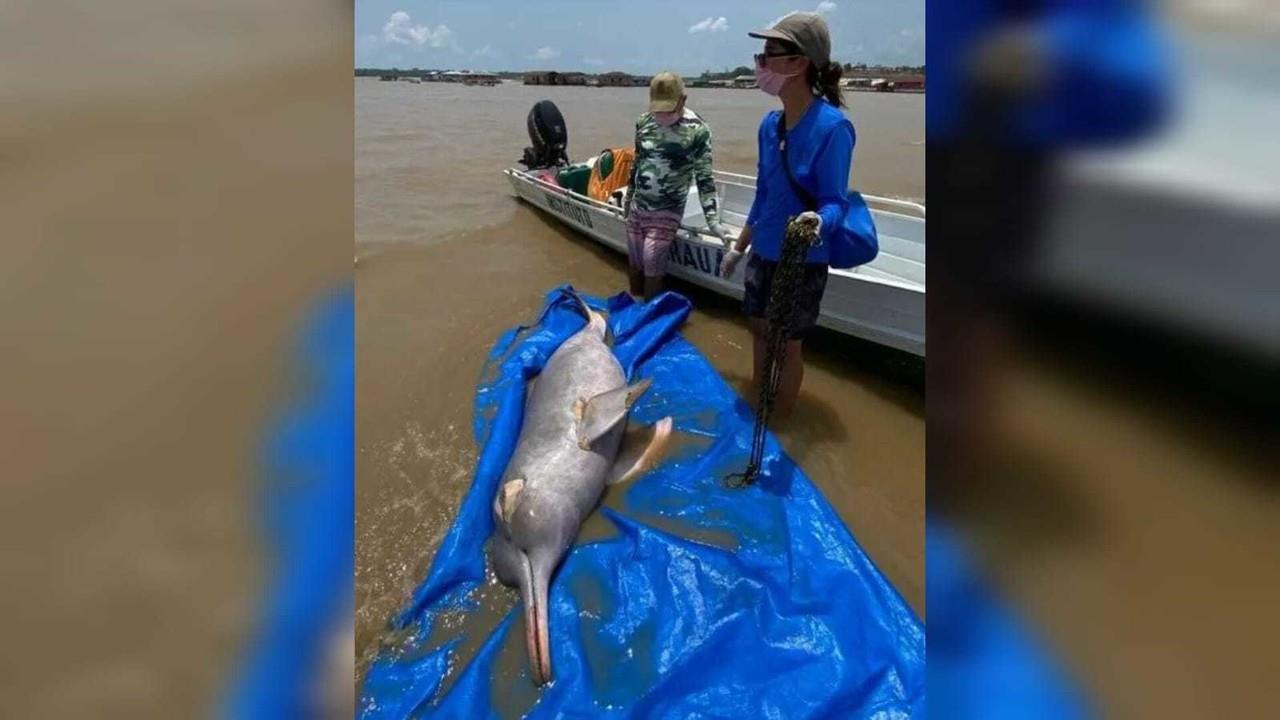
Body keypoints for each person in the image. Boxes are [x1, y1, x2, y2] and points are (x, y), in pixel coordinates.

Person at [718, 12, 853, 415]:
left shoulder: (832, 128)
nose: (760, 63)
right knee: (758, 329)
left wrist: (818, 222)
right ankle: (759, 398)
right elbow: (764, 194)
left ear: (799, 63)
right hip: (763, 252)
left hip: (802, 259)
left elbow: (836, 203)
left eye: (769, 54)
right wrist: (738, 248)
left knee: (788, 344)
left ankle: (781, 421)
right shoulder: (769, 126)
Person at [625, 71, 732, 301]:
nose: (663, 114)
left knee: (651, 260)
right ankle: (634, 308)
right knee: (635, 262)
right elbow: (638, 162)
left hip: (668, 210)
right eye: (659, 109)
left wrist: (713, 221)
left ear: (683, 100)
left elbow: (704, 177)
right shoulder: (643, 122)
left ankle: (649, 315)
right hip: (639, 207)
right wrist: (628, 198)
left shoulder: (698, 130)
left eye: (669, 108)